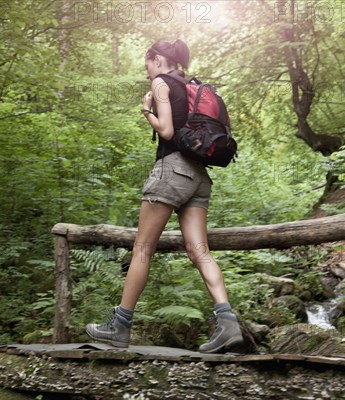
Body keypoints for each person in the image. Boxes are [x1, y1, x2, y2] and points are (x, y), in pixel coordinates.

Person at [85, 39, 243, 354]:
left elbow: (168, 131)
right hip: (198, 176)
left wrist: (146, 110)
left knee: (142, 249)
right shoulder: (190, 86)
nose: (147, 74)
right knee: (201, 252)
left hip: (171, 171)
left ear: (157, 59)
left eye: (147, 66)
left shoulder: (161, 82)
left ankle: (120, 324)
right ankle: (228, 324)